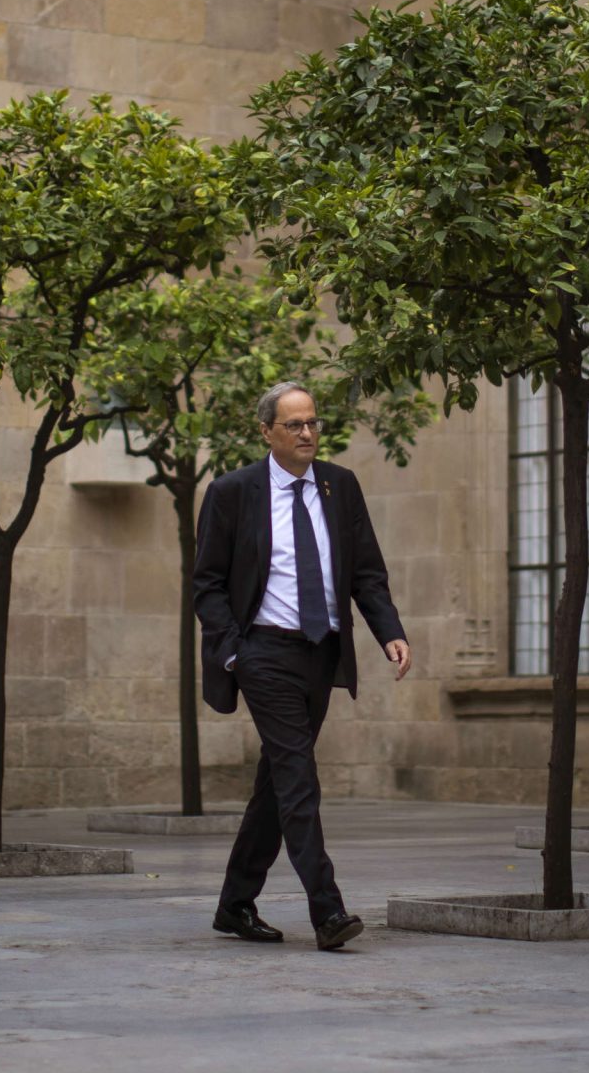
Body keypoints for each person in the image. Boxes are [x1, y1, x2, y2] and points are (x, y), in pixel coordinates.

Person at [192, 380, 411, 951]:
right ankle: (328, 910)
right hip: (263, 653)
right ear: (266, 431)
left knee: (276, 782)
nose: (308, 433)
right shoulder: (233, 492)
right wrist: (234, 650)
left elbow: (366, 570)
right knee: (298, 777)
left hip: (322, 653)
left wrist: (390, 632)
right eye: (295, 425)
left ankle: (234, 903)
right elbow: (207, 586)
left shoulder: (341, 487)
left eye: (313, 422)